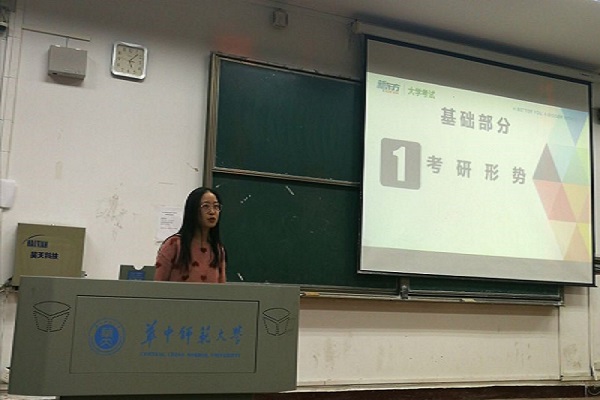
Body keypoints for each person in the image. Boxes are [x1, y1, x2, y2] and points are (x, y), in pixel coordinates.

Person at [154, 187, 226, 283]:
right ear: (193, 210)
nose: (212, 212)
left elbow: (221, 287)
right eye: (206, 206)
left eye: (216, 206)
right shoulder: (174, 244)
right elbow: (158, 286)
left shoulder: (217, 249)